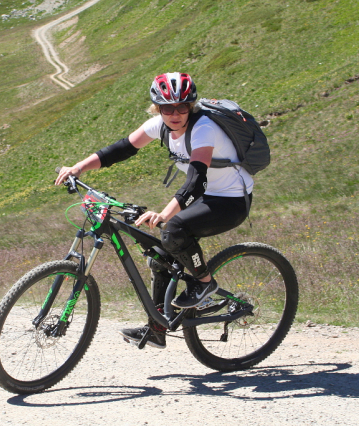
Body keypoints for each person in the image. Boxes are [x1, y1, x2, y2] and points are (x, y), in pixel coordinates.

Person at [55, 72, 253, 349]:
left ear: (191, 106)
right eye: (167, 107)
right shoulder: (158, 125)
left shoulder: (204, 128)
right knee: (159, 255)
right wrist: (77, 168)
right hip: (206, 197)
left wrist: (165, 213)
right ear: (157, 108)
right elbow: (120, 149)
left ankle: (205, 283)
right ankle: (157, 328)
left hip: (230, 199)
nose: (174, 113)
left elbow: (196, 181)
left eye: (182, 106)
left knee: (173, 228)